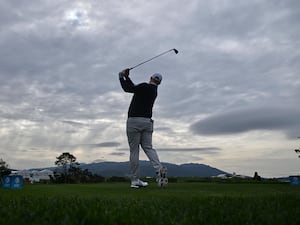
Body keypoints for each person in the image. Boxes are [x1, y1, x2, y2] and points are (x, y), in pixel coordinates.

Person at [119, 68, 168, 188]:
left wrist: (122, 76)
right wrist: (127, 77)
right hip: (147, 122)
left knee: (134, 150)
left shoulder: (144, 86)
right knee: (148, 147)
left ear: (151, 78)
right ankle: (159, 169)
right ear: (159, 83)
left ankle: (135, 180)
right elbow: (133, 87)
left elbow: (128, 88)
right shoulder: (154, 91)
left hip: (134, 120)